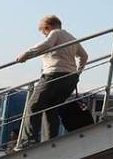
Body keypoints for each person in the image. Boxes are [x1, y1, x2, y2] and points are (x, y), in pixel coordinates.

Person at [14, 15, 88, 149]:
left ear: (47, 27)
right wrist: (78, 72)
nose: (44, 35)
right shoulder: (71, 37)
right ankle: (50, 142)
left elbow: (46, 44)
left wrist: (25, 55)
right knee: (51, 109)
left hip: (54, 75)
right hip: (70, 78)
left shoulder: (55, 33)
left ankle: (28, 141)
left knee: (34, 106)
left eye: (44, 32)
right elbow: (84, 55)